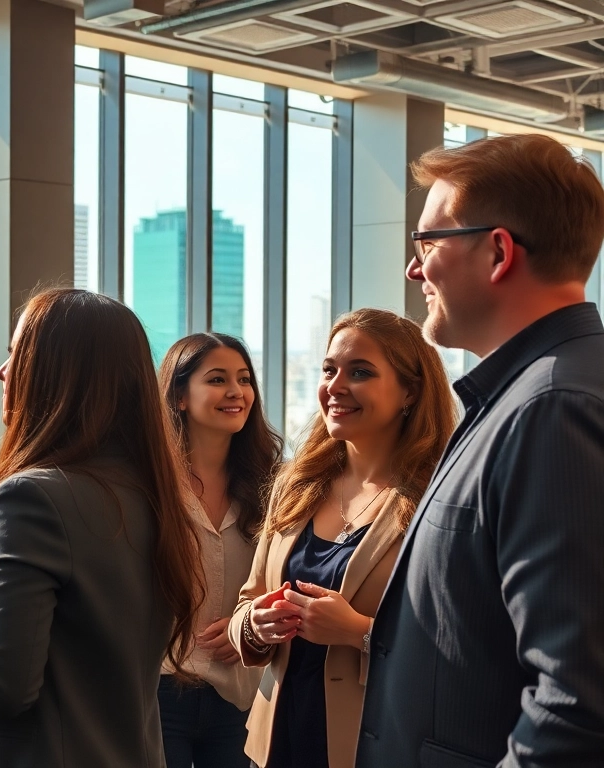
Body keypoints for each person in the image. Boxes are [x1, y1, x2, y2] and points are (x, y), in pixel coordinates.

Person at [357, 134, 604, 766]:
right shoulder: (529, 392)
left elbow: (577, 700)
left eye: (428, 243)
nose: (414, 270)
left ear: (497, 252)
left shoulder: (552, 408)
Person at [0, 288, 204, 768]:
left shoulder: (31, 498)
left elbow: (0, 687)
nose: (2, 371)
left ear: (57, 374)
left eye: (16, 355)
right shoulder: (153, 495)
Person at [229, 309, 455, 768]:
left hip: (372, 747)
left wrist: (360, 634)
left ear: (410, 390)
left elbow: (457, 649)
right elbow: (246, 603)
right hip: (273, 744)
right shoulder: (297, 483)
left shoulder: (438, 498)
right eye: (329, 369)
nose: (335, 386)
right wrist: (256, 624)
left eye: (360, 372)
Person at [156, 333, 283, 768]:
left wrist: (246, 624)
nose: (236, 392)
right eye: (217, 379)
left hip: (240, 693)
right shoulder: (149, 485)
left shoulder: (275, 483)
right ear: (179, 398)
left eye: (244, 379)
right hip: (159, 691)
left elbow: (291, 576)